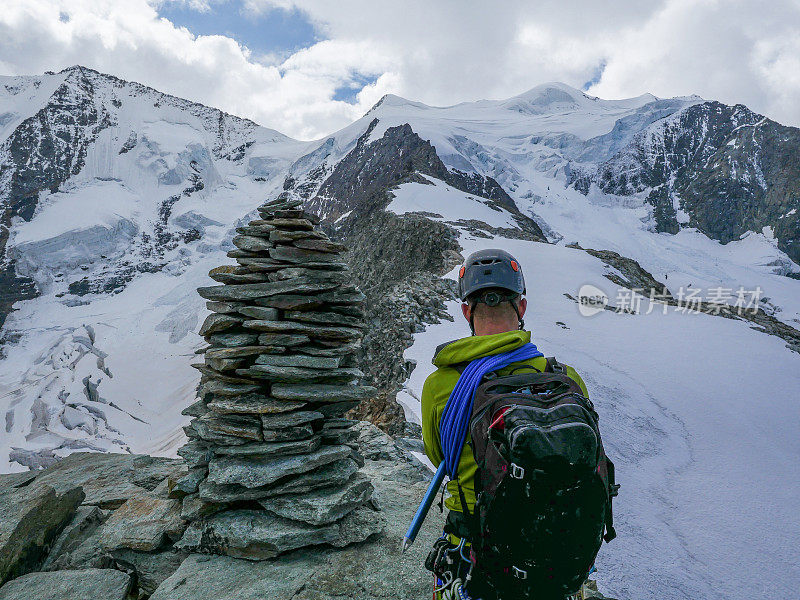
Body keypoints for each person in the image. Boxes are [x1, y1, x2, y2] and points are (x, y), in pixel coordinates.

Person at [421, 248, 590, 600]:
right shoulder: (564, 378)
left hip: (473, 552)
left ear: (467, 311)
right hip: (551, 557)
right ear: (522, 308)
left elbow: (442, 459)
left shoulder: (440, 387)